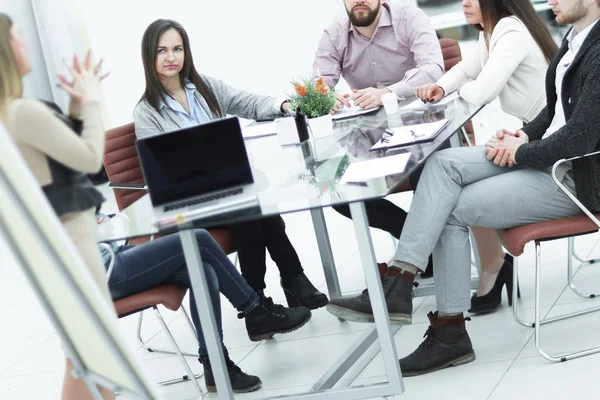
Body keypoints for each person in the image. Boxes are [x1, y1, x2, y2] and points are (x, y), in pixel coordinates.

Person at [338, 0, 600, 376]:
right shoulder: (575, 38)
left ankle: (449, 332)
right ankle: (401, 278)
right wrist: (524, 134)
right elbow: (555, 111)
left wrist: (523, 151)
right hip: (546, 157)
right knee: (442, 165)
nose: (550, 0)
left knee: (453, 209)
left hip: (574, 178)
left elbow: (582, 136)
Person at [133, 19, 328, 310]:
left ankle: (264, 295)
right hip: (188, 202)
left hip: (225, 190)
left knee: (252, 194)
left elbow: (248, 103)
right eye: (162, 50)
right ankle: (281, 284)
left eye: (177, 48)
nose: (171, 57)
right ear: (149, 56)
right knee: (250, 202)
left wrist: (284, 106)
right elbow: (159, 172)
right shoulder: (147, 112)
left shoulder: (204, 88)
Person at [413, 0, 558, 312]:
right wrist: (440, 86)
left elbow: (481, 91)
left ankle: (423, 281)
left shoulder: (510, 29)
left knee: (452, 191)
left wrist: (457, 91)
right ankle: (411, 271)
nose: (465, 3)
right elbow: (469, 69)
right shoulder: (491, 33)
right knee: (446, 172)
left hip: (546, 148)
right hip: (531, 136)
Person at [0, 13, 114, 400]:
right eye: (17, 37)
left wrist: (78, 108)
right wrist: (96, 101)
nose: (25, 43)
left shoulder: (12, 113)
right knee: (90, 357)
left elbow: (57, 162)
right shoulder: (21, 111)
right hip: (74, 246)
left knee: (89, 358)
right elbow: (88, 160)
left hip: (64, 243)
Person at [98, 216, 311, 394]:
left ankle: (215, 364)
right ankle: (254, 311)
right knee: (197, 238)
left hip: (113, 253)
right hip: (104, 271)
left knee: (201, 269)